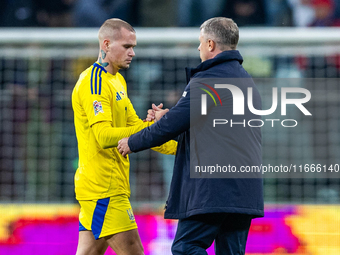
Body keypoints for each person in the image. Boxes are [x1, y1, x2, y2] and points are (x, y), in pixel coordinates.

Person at [117, 17, 264, 255]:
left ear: (210, 44)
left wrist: (132, 142)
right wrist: (169, 117)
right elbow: (214, 132)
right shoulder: (246, 81)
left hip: (214, 189)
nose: (198, 48)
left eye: (199, 42)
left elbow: (172, 127)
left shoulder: (209, 79)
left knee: (186, 247)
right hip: (244, 191)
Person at [71, 18, 176, 255]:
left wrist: (182, 148)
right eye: (127, 47)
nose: (133, 53)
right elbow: (104, 136)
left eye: (134, 47)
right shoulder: (93, 83)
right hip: (104, 189)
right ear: (106, 45)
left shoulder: (117, 80)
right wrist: (148, 129)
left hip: (106, 186)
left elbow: (138, 129)